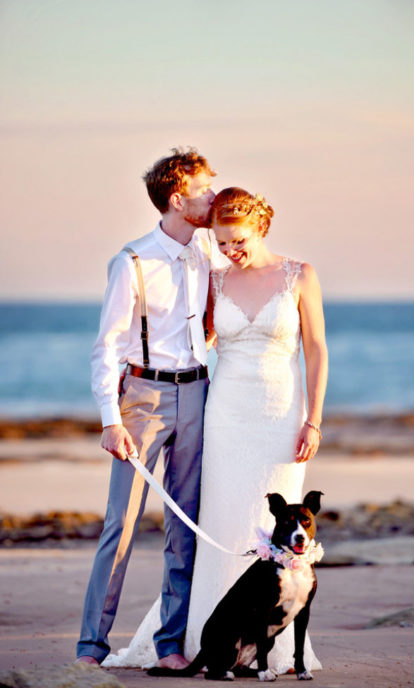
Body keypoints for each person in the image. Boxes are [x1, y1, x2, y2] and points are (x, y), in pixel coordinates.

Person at [103, 186, 328, 674]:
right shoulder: (218, 281)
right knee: (221, 523)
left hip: (281, 415)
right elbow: (190, 339)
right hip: (224, 415)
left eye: (238, 240)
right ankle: (213, 637)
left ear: (261, 226)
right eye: (222, 243)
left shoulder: (300, 275)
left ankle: (277, 650)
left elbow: (316, 352)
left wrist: (314, 419)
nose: (229, 251)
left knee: (277, 530)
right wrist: (137, 368)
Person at [76, 147, 225, 669]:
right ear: (178, 198)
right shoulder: (132, 261)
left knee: (183, 527)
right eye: (205, 188)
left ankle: (170, 646)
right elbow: (107, 347)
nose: (213, 195)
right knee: (121, 524)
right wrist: (110, 421)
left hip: (199, 393)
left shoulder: (208, 251)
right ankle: (90, 648)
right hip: (142, 399)